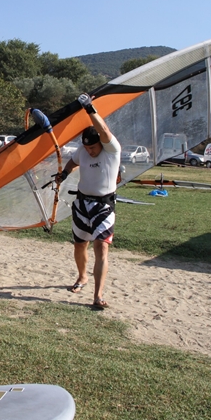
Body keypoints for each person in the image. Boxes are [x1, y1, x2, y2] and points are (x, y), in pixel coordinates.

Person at [54, 93, 121, 310]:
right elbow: (72, 163)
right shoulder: (82, 151)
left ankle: (97, 296)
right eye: (87, 148)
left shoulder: (112, 149)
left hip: (104, 206)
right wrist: (63, 175)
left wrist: (89, 108)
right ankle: (82, 277)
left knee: (101, 247)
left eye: (93, 147)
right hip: (82, 205)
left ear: (100, 143)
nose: (90, 152)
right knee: (80, 245)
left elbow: (104, 131)